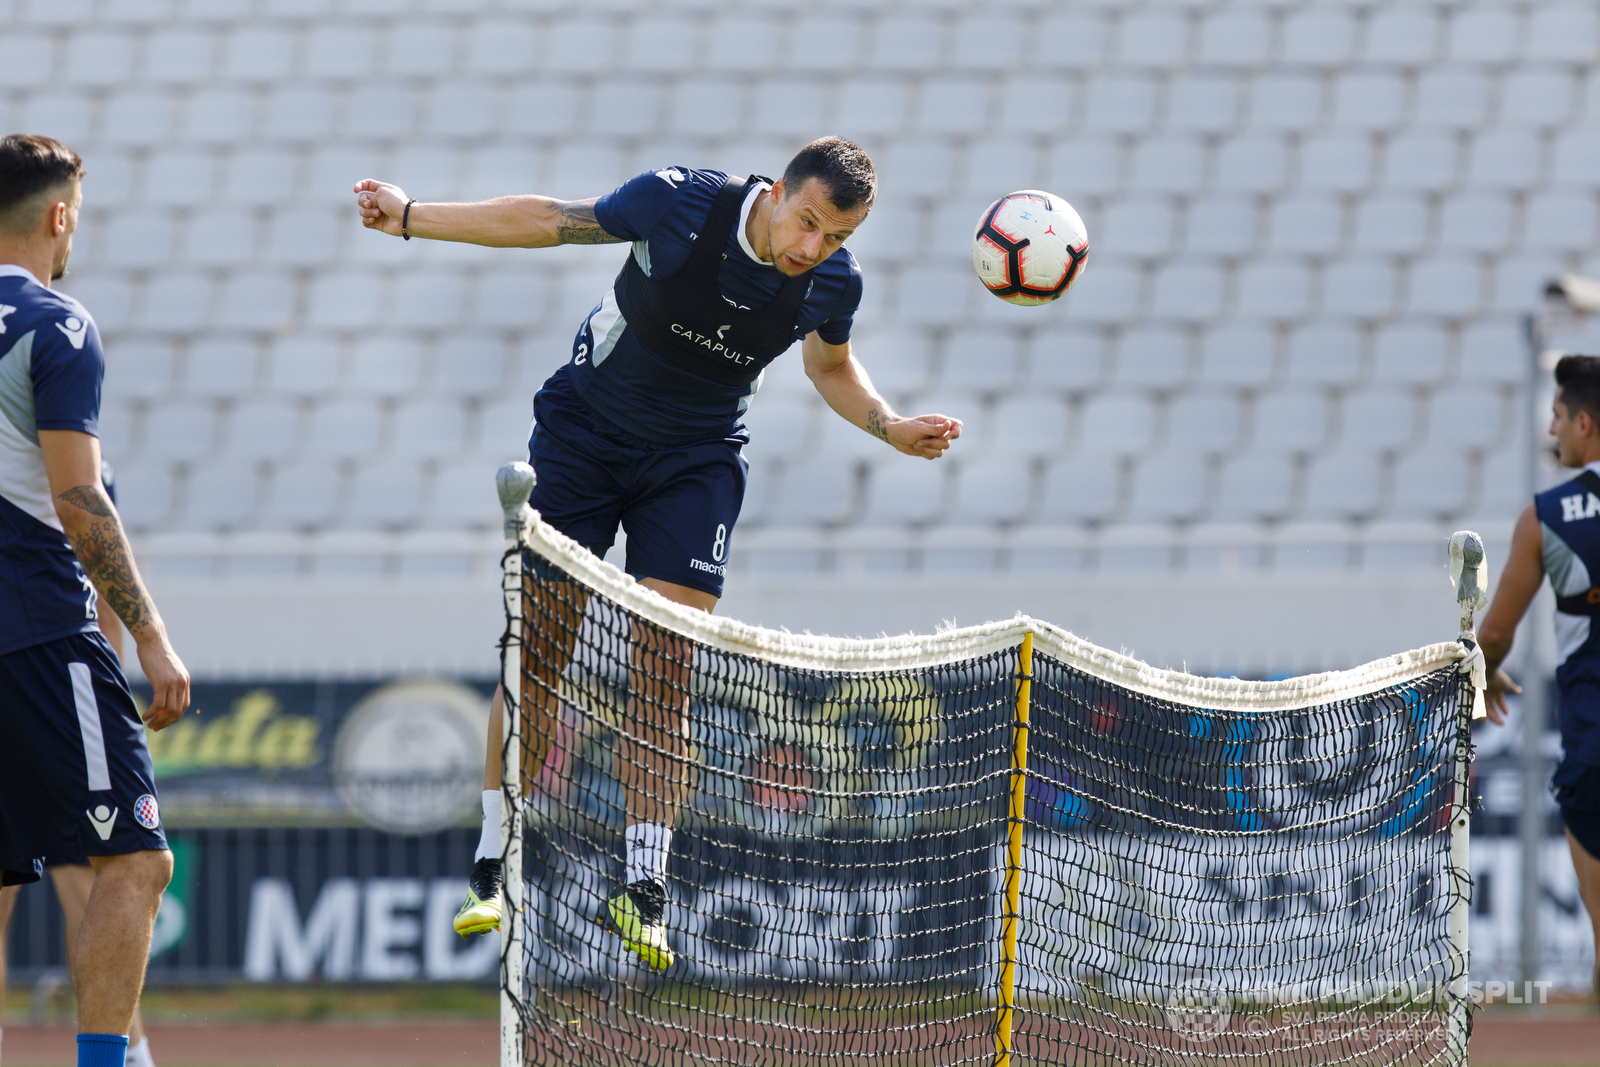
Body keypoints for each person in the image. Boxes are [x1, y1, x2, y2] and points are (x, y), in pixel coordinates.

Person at [353, 137, 962, 970]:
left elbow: (832, 366)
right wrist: (415, 218)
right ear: (778, 192)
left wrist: (889, 426)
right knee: (539, 655)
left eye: (835, 239)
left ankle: (644, 883)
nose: (811, 249)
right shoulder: (678, 202)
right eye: (808, 222)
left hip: (696, 459)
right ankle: (494, 861)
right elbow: (547, 221)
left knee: (666, 664)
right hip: (584, 439)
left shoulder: (829, 283)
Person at [0, 134, 191, 1067]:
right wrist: (149, 636)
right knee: (137, 859)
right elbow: (80, 500)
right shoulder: (55, 322)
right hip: (34, 624)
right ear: (59, 214)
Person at [0, 465, 158, 1067]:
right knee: (116, 874)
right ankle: (130, 1058)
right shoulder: (75, 460)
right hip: (58, 675)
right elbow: (97, 574)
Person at [1479, 353, 1600, 1007]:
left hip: (1592, 746)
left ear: (1585, 423)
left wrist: (1488, 671)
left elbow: (1496, 634)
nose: (1552, 430)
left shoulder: (1548, 516)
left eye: (1557, 417)